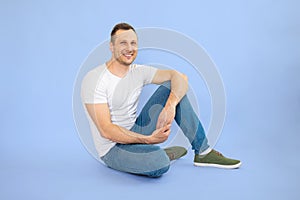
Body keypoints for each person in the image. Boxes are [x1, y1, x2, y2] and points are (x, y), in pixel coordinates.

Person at [81, 22, 241, 177]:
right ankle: (157, 154)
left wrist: (170, 106)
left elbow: (180, 77)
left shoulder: (138, 72)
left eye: (133, 43)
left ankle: (203, 152)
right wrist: (148, 140)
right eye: (123, 43)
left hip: (135, 129)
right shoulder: (95, 79)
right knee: (160, 163)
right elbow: (106, 130)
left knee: (175, 88)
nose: (129, 48)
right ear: (112, 46)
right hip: (113, 149)